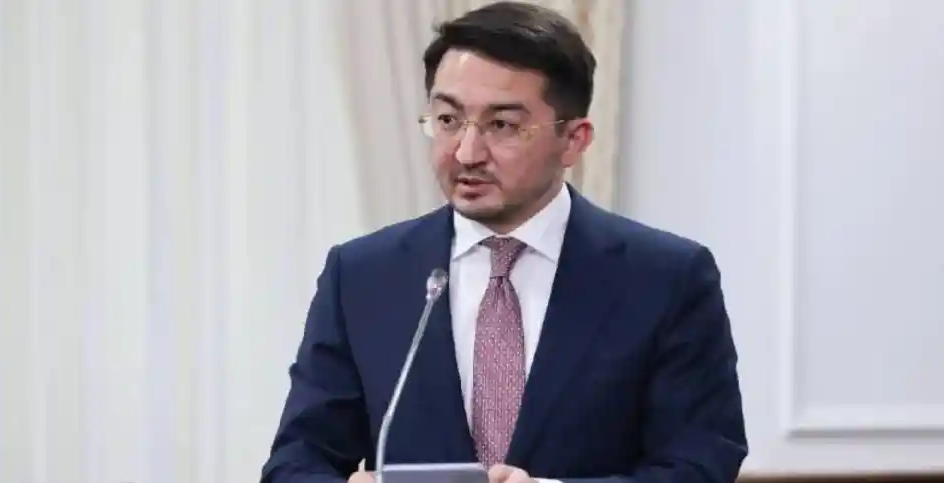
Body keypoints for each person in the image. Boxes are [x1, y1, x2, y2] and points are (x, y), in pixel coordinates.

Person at [260, 2, 747, 483]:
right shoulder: (363, 276)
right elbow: (296, 461)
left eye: (502, 125)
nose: (467, 153)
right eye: (448, 120)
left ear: (574, 140)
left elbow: (700, 463)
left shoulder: (666, 279)